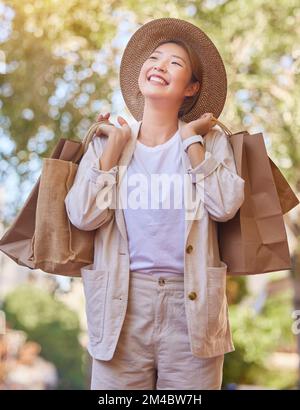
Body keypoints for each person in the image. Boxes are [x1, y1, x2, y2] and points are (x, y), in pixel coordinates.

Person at [64, 17, 245, 390]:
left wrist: (192, 141)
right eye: (155, 57)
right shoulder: (107, 142)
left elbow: (226, 205)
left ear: (191, 87)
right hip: (122, 303)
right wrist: (111, 151)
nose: (160, 65)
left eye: (175, 63)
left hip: (192, 304)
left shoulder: (209, 143)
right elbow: (82, 215)